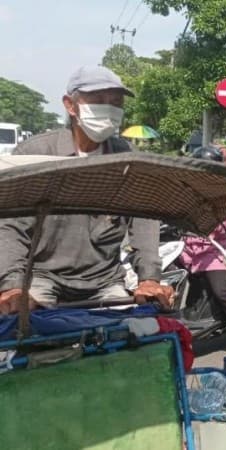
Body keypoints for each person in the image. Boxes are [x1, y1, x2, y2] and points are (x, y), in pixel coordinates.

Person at [0, 66, 171, 314]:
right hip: (41, 276)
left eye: (115, 103)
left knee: (131, 336)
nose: (109, 109)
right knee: (23, 331)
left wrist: (150, 279)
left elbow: (144, 219)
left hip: (104, 281)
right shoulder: (36, 155)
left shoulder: (128, 160)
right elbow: (11, 227)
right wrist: (12, 286)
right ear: (71, 105)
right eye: (98, 101)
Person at [180, 145, 226, 358]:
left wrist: (205, 227)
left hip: (216, 249)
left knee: (221, 291)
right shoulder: (190, 188)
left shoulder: (225, 190)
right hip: (190, 247)